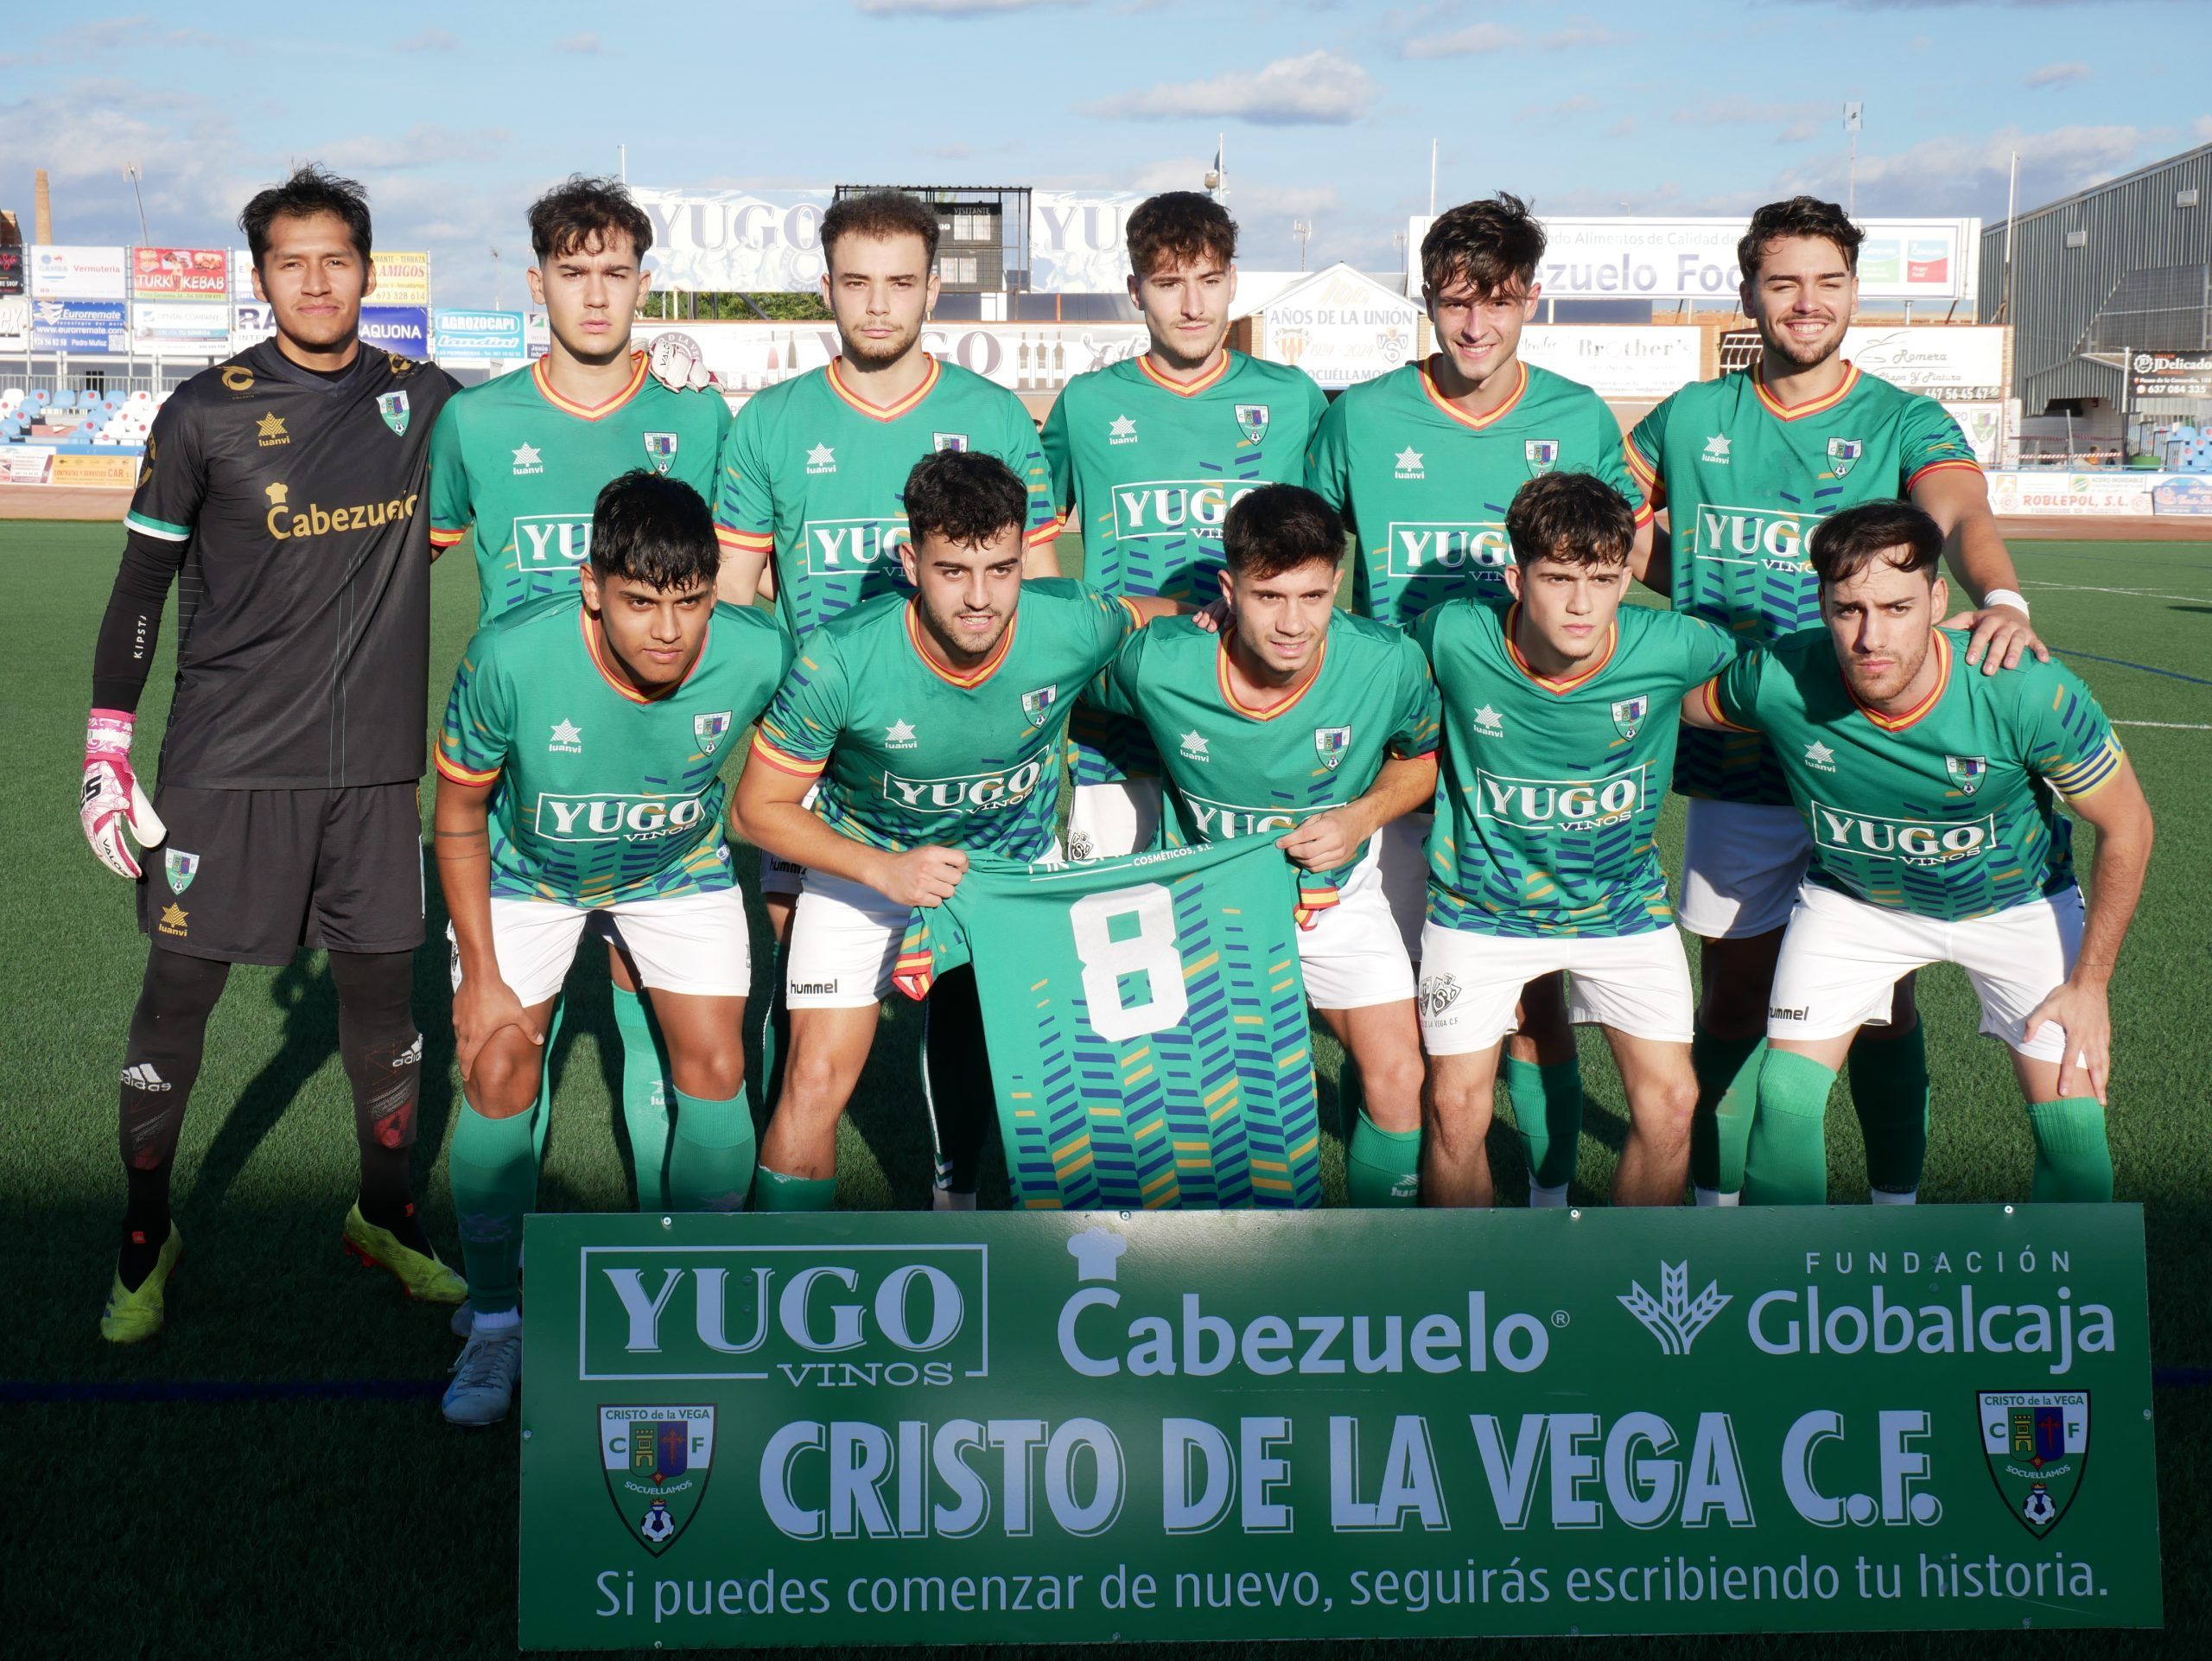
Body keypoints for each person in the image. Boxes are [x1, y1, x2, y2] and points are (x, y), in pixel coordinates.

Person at [84, 165, 461, 1341]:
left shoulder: (429, 399)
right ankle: (146, 1235)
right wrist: (107, 747)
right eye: (290, 259)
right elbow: (143, 583)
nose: (314, 277)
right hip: (225, 769)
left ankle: (385, 1211)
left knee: (383, 1010)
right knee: (176, 1004)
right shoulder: (202, 411)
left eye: (335, 256)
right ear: (261, 277)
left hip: (368, 776)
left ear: (365, 269)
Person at [1627, 195, 2049, 1208]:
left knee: (1876, 1004)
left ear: (1854, 289)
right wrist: (1655, 580)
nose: (1805, 303)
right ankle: (1714, 1212)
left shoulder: (1900, 417)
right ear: (1748, 296)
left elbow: (1959, 508)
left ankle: (1891, 1212)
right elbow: (1611, 519)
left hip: (1867, 753)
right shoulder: (1691, 416)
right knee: (1731, 992)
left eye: (1827, 281)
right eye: (1782, 282)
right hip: (1736, 762)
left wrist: (2002, 595)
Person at [711, 188, 1059, 1207]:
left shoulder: (993, 415)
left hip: (970, 763)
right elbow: (738, 603)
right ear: (825, 287)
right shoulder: (770, 422)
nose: (876, 305)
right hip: (819, 769)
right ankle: (779, 1235)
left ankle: (957, 1185)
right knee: (808, 988)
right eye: (855, 282)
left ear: (932, 289)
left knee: (973, 984)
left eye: (899, 282)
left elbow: (1030, 597)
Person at [1307, 194, 1649, 1206]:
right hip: (1397, 765)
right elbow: (1305, 553)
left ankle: (1544, 1211)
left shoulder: (1578, 417)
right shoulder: (1360, 417)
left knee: (1536, 1005)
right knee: (1401, 1018)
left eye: (1496, 302)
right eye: (1454, 302)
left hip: (1527, 773)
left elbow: (1607, 570)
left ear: (1530, 302)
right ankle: (1402, 1239)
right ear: (1425, 300)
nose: (1473, 325)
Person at [431, 471, 791, 1423]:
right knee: (499, 1065)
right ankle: (498, 1323)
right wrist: (481, 972)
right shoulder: (510, 656)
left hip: (676, 870)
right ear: (593, 586)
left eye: (689, 603)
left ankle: (703, 1308)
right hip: (525, 877)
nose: (668, 631)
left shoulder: (758, 650)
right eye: (640, 603)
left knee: (717, 1061)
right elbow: (459, 814)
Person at [730, 450, 1179, 1208]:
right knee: (813, 1076)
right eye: (953, 571)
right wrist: (884, 872)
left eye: (1002, 569)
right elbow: (756, 809)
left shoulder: (1069, 620)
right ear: (911, 562)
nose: (980, 598)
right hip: (865, 868)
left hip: (1006, 877)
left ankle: (957, 1209)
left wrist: (1230, 618)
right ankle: (782, 1282)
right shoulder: (840, 658)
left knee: (1006, 1067)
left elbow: (1154, 613)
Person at [1680, 501, 2152, 1204]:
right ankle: (1779, 1291)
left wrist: (2090, 988)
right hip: (1856, 904)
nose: (1872, 636)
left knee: (2074, 1131)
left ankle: (2059, 1299)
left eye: (1897, 607)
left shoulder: (2024, 688)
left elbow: (2130, 827)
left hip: (2016, 906)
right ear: (1822, 604)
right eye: (1848, 610)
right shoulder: (1781, 676)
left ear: (1938, 599)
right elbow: (1682, 702)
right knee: (1784, 1096)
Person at [426, 176, 733, 1219]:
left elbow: (733, 597)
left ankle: (677, 1279)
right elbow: (405, 564)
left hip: (661, 782)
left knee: (681, 1041)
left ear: (645, 284)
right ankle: (500, 1311)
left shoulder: (695, 416)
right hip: (524, 784)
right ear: (536, 282)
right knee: (508, 1046)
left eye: (615, 274)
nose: (595, 296)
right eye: (572, 273)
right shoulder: (475, 421)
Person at [1087, 484, 1440, 1205]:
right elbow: (1049, 671)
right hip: (1201, 915)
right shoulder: (1162, 661)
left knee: (1401, 1073)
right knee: (1209, 1114)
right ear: (1228, 590)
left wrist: (1363, 816)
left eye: (1312, 597)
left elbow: (1424, 758)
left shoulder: (1385, 663)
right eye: (1268, 596)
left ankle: (1388, 1263)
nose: (1292, 622)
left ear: (1337, 586)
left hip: (1335, 904)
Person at [1415, 473, 1733, 1208]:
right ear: (1514, 578)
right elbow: (1352, 670)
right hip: (1478, 912)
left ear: (1627, 578)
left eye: (1602, 578)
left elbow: (1799, 674)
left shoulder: (1678, 644)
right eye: (1557, 578)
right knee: (1455, 1109)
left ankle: (1622, 1291)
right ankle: (1468, 1301)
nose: (1582, 604)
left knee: (1672, 1104)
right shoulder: (1453, 635)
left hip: (1621, 911)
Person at [1041, 191, 1327, 862]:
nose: (1193, 305)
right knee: (1115, 931)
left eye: (1208, 281)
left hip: (1262, 711)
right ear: (1135, 291)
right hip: (1120, 723)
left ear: (1233, 282)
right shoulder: (1087, 405)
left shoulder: (1292, 398)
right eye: (1169, 284)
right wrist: (1080, 635)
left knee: (1263, 926)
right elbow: (1028, 545)